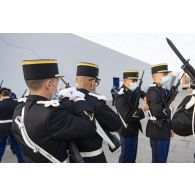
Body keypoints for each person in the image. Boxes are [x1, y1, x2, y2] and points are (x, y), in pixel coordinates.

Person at [11, 59, 97, 163]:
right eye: (57, 81)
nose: (58, 83)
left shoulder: (19, 109)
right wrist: (79, 99)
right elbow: (89, 127)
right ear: (49, 84)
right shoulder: (52, 113)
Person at [59, 62, 121, 163]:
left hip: (72, 158)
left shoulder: (64, 100)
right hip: (94, 159)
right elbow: (116, 124)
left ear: (76, 81)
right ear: (92, 82)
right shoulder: (95, 101)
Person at [115, 70, 148, 163]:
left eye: (136, 81)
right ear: (125, 81)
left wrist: (145, 97)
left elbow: (142, 93)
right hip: (126, 130)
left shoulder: (133, 89)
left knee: (132, 157)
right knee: (126, 158)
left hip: (134, 129)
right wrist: (142, 110)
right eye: (133, 81)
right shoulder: (120, 96)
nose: (135, 83)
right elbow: (127, 116)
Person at [146, 63, 173, 163]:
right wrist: (170, 108)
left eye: (167, 74)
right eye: (164, 74)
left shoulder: (163, 90)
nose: (166, 77)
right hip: (157, 130)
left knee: (163, 160)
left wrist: (171, 128)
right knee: (158, 161)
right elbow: (158, 112)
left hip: (164, 130)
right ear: (155, 76)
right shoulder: (153, 91)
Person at [0, 88, 25, 162]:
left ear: (1, 95)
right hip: (14, 126)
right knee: (17, 146)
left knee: (1, 146)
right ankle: (22, 162)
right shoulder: (16, 103)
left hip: (2, 128)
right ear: (9, 94)